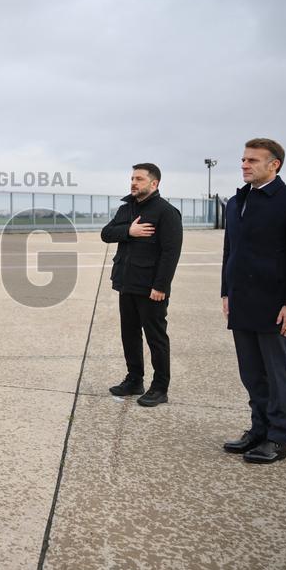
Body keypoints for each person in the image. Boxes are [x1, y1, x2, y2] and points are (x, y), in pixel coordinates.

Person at [221, 138, 286, 464]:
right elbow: (230, 250)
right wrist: (226, 292)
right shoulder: (237, 201)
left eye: (253, 160)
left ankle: (277, 438)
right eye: (243, 159)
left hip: (275, 306)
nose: (244, 165)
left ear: (274, 165)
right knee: (251, 374)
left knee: (277, 375)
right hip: (242, 301)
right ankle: (258, 430)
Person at [100, 163, 183, 407]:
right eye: (132, 178)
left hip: (151, 288)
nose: (133, 183)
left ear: (154, 183)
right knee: (130, 334)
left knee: (156, 337)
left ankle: (160, 387)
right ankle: (134, 380)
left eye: (139, 179)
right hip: (126, 283)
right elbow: (106, 233)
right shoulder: (126, 208)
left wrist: (161, 286)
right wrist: (130, 230)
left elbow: (171, 253)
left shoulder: (166, 212)